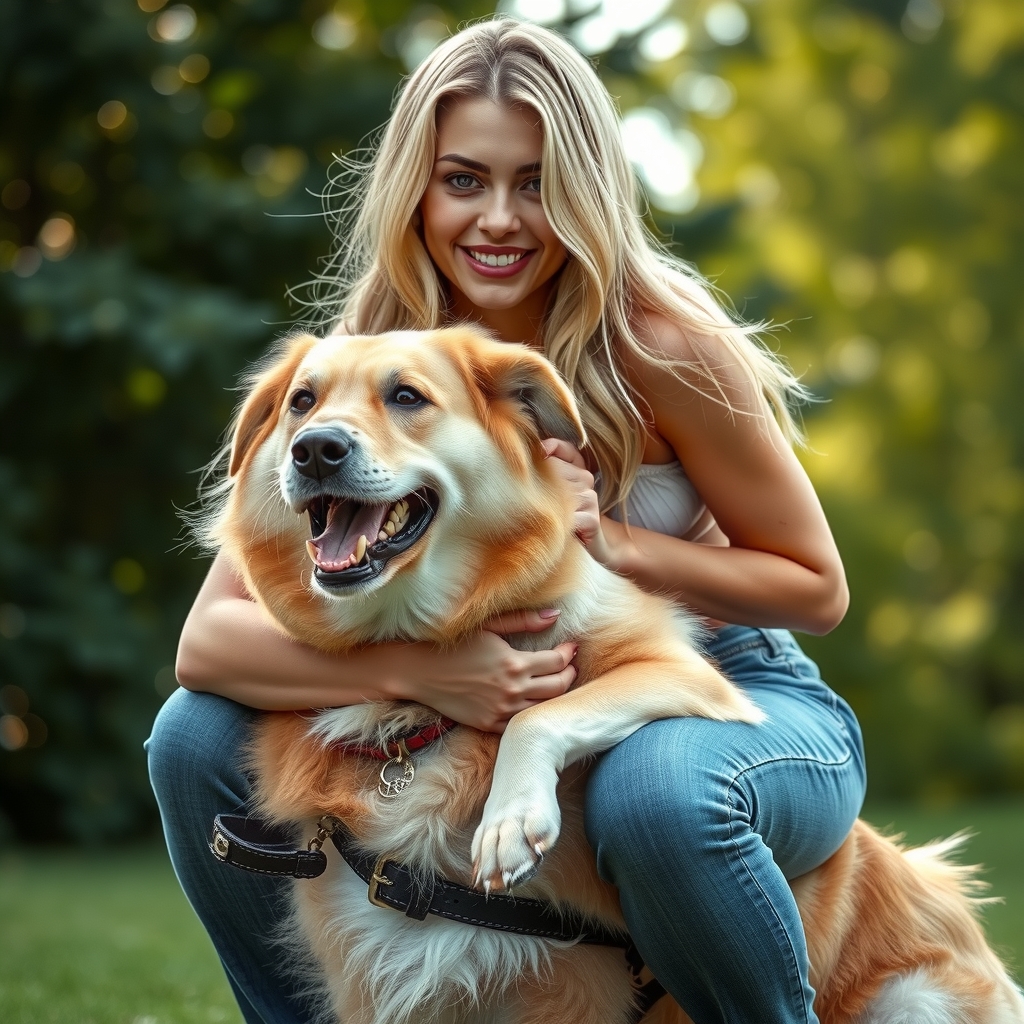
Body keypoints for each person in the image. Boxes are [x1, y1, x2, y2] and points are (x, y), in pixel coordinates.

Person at [147, 16, 866, 1024]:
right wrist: (418, 673)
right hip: (472, 682)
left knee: (655, 797)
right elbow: (208, 641)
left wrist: (610, 540)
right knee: (193, 739)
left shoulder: (658, 348)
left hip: (723, 686)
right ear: (418, 188)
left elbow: (816, 587)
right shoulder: (363, 364)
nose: (498, 219)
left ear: (584, 190)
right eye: (463, 180)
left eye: (534, 182)